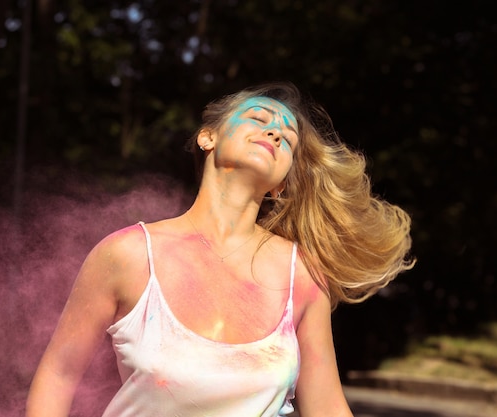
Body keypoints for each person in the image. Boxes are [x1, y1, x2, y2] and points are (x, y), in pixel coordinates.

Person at [26, 82, 414, 417]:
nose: (276, 134)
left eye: (289, 139)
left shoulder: (303, 275)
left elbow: (327, 407)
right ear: (207, 137)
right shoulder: (127, 255)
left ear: (281, 184)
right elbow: (58, 375)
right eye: (259, 119)